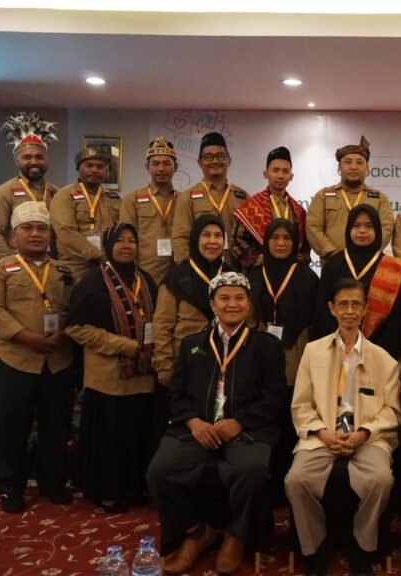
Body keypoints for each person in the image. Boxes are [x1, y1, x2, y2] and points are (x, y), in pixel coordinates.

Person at [146, 272, 286, 575]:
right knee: (159, 471)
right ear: (212, 304)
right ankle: (195, 531)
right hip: (198, 430)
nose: (232, 304)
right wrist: (193, 422)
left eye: (239, 298)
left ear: (248, 304)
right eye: (224, 298)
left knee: (252, 470)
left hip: (247, 430)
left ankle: (237, 535)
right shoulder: (192, 344)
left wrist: (240, 422)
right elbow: (176, 393)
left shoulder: (267, 346)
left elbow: (274, 396)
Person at [285, 278, 401, 576]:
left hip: (366, 437)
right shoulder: (312, 352)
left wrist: (363, 433)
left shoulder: (384, 359)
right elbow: (301, 404)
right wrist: (322, 433)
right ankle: (316, 546)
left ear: (365, 309)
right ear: (332, 309)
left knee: (381, 480)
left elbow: (392, 411)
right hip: (323, 434)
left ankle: (362, 545)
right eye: (343, 304)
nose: (349, 311)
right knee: (296, 480)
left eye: (355, 305)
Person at [0, 201, 77, 513]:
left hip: (58, 361)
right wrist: (26, 336)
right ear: (13, 235)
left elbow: (77, 308)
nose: (35, 234)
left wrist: (66, 332)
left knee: (56, 426)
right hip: (15, 360)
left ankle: (53, 482)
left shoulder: (64, 271)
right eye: (27, 228)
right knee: (12, 428)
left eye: (42, 229)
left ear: (50, 234)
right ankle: (11, 487)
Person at [65, 223, 158, 514]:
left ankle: (135, 487)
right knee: (111, 438)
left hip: (143, 375)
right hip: (108, 376)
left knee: (138, 434)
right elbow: (76, 328)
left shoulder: (146, 279)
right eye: (120, 241)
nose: (127, 246)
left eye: (132, 240)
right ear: (108, 246)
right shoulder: (92, 282)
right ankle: (109, 491)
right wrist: (123, 345)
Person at [313, 204, 401, 358]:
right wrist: (340, 343)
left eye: (369, 226)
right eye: (356, 226)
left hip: (379, 352)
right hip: (336, 350)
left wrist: (375, 350)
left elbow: (396, 319)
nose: (362, 231)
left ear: (377, 230)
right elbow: (322, 311)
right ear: (348, 229)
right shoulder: (334, 265)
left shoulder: (393, 268)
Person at [152, 213, 233, 386]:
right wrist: (165, 368)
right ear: (195, 238)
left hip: (226, 362)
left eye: (218, 235)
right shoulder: (176, 277)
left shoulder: (232, 276)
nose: (212, 241)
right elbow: (162, 326)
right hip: (185, 365)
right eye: (206, 235)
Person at [247, 218, 319, 390]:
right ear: (266, 241)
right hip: (260, 343)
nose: (281, 243)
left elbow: (317, 317)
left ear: (295, 242)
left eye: (287, 238)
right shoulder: (255, 275)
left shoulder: (307, 276)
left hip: (298, 347)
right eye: (275, 237)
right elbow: (248, 314)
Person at [306, 136, 394, 263]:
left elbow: (386, 228)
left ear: (367, 168)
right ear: (339, 167)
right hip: (332, 263)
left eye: (359, 162)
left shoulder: (380, 198)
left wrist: (368, 253)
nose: (353, 167)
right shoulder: (323, 196)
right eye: (347, 162)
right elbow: (313, 227)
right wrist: (332, 253)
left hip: (368, 264)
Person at [0, 111, 59, 260]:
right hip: (16, 264)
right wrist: (14, 264)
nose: (34, 161)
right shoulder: (1, 193)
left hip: (50, 265)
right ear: (17, 161)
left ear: (46, 159)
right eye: (27, 157)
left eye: (39, 157)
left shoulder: (57, 193)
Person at [170, 132, 248, 263]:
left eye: (220, 156)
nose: (215, 161)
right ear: (200, 162)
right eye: (208, 157)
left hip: (237, 268)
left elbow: (251, 238)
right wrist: (190, 270)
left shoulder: (243, 197)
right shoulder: (187, 197)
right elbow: (180, 239)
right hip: (202, 269)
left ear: (229, 160)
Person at [232, 146, 311, 272]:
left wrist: (301, 260)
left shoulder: (299, 211)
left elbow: (306, 245)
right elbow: (236, 240)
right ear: (266, 174)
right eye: (275, 170)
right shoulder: (252, 206)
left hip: (292, 272)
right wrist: (256, 260)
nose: (280, 176)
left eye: (285, 171)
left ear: (291, 176)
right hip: (260, 272)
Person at [49, 145, 121, 280]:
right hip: (76, 265)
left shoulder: (114, 198)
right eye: (89, 165)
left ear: (106, 171)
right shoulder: (64, 195)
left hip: (108, 264)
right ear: (78, 168)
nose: (94, 170)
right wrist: (96, 255)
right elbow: (66, 232)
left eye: (100, 166)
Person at [119, 137, 179, 285]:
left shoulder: (184, 200)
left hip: (178, 269)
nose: (161, 169)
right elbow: (126, 238)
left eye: (167, 163)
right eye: (155, 164)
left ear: (176, 167)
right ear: (147, 167)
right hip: (145, 271)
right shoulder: (132, 199)